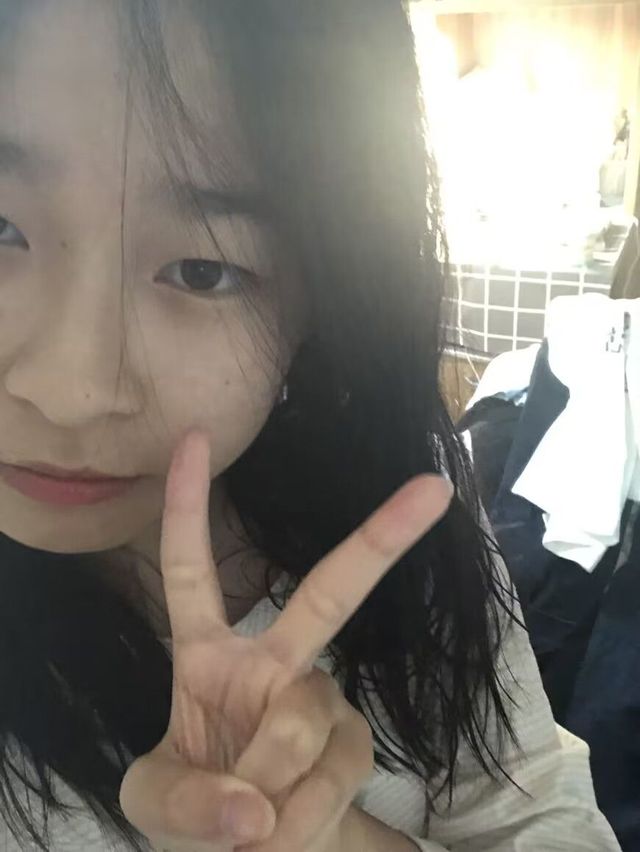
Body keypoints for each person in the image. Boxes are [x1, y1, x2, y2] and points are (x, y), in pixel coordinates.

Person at [0, 2, 620, 850]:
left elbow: (542, 816)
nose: (70, 393)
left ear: (318, 304)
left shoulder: (388, 504)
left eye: (202, 269)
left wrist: (333, 839)